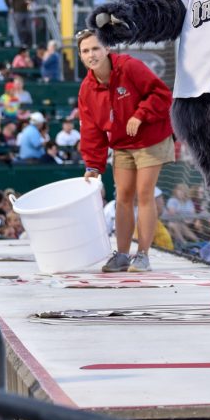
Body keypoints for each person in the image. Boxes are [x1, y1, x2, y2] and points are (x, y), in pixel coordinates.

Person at [77, 29, 174, 273]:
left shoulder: (130, 67)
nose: (92, 54)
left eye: (96, 48)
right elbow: (91, 130)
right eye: (85, 51)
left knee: (144, 193)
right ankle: (121, 255)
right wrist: (93, 165)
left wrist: (141, 114)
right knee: (122, 196)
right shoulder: (87, 89)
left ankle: (142, 256)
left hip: (151, 138)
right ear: (80, 56)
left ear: (107, 49)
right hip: (122, 143)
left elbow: (162, 94)